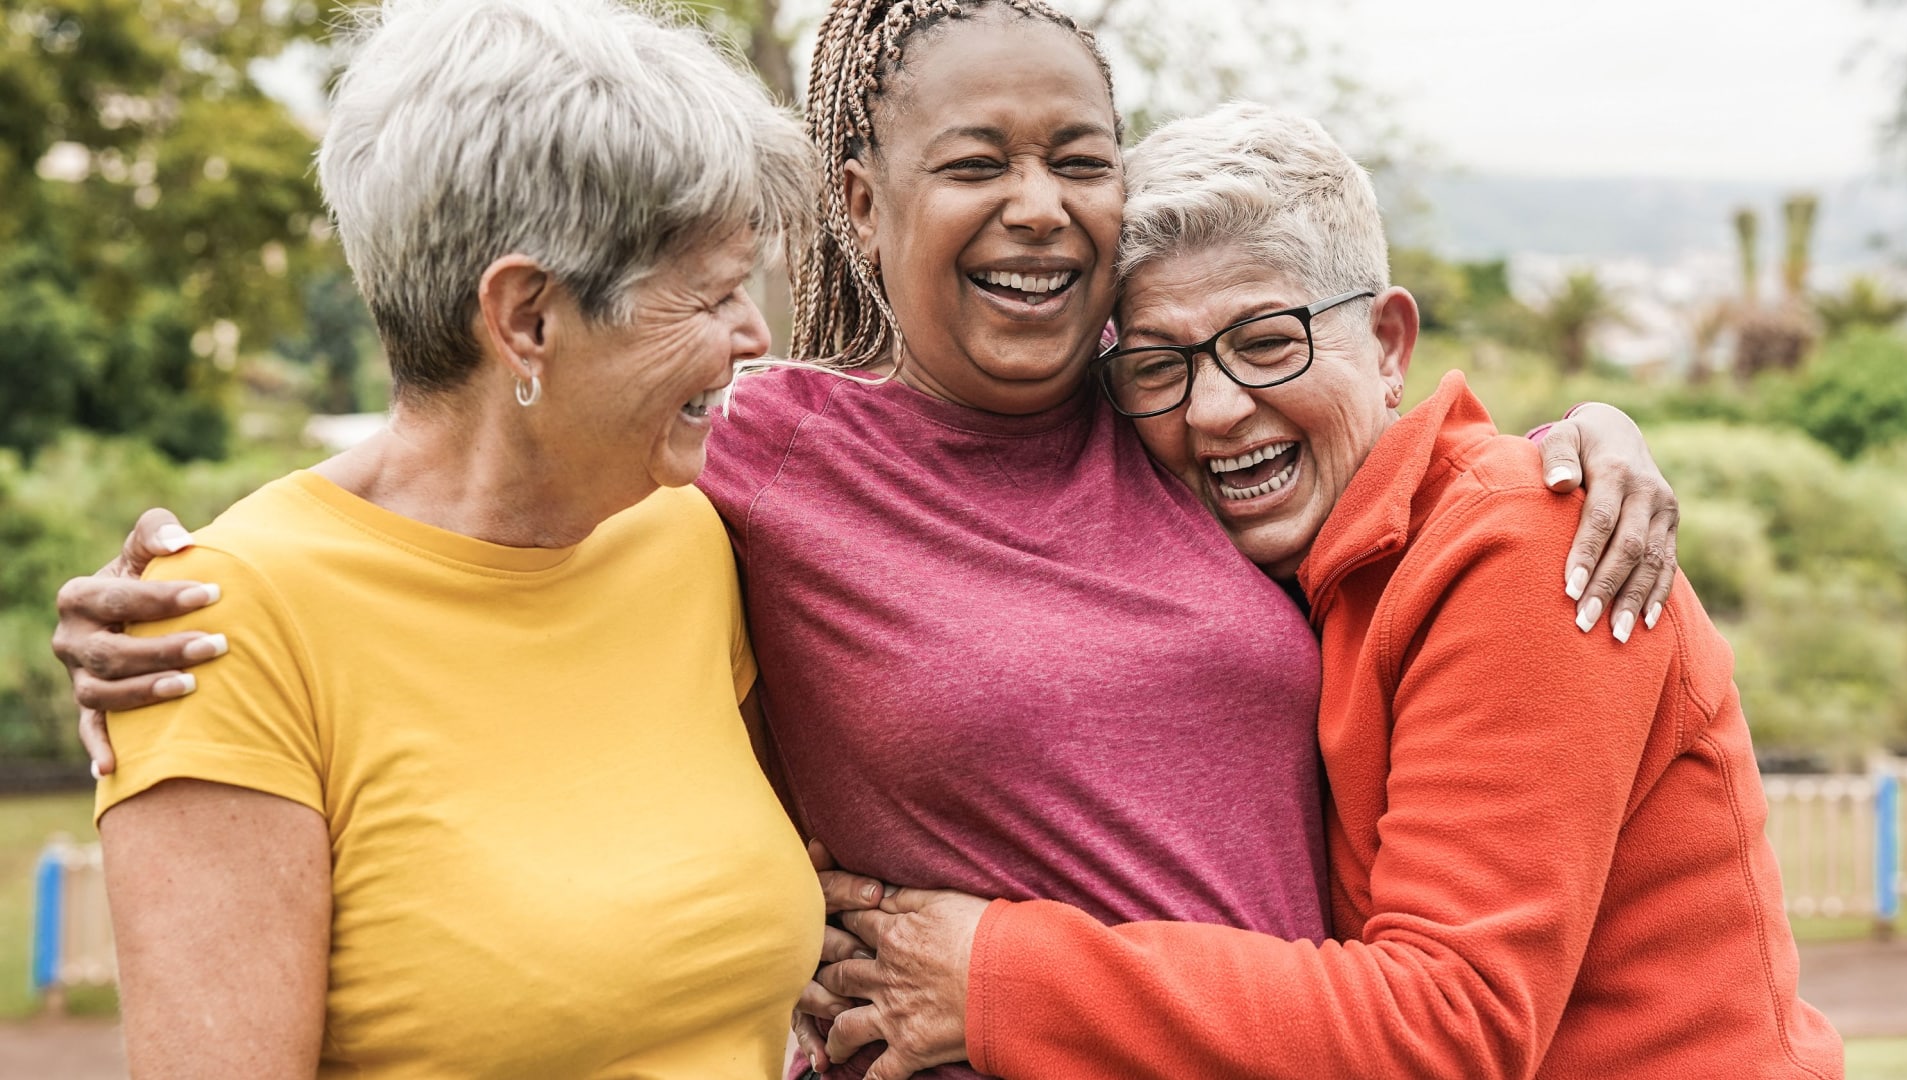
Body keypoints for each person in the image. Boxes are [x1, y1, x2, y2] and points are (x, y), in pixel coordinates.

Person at [54, 4, 1685, 1078]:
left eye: (1078, 160)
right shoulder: (758, 465)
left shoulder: (1160, 417)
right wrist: (205, 582)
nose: (1038, 207)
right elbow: (473, 453)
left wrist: (1568, 447)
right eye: (971, 163)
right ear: (859, 204)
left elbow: (1346, 425)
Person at [802, 104, 1844, 1080]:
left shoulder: (1528, 549)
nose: (1215, 410)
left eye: (1267, 343)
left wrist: (993, 972)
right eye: (1161, 366)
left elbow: (1451, 1021)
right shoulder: (1276, 566)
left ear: (1388, 343)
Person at [65, 1, 825, 1076]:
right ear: (526, 319)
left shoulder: (688, 531)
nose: (752, 335)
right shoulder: (219, 626)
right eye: (708, 295)